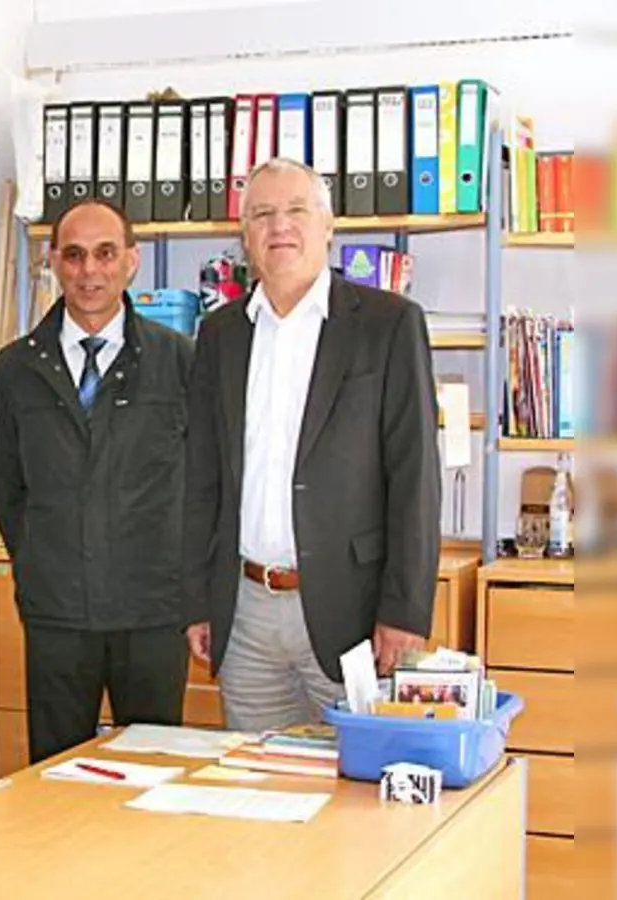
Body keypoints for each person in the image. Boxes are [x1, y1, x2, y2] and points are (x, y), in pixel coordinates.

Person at [182, 157, 441, 733]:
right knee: (257, 798)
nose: (281, 227)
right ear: (244, 235)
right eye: (263, 214)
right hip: (245, 612)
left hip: (352, 614)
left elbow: (415, 476)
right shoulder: (221, 334)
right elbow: (202, 478)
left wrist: (403, 612)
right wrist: (198, 600)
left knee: (354, 803)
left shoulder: (388, 324)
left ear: (328, 226)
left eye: (297, 211)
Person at [0, 199, 195, 764]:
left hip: (153, 610)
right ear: (54, 260)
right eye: (74, 256)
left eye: (106, 254)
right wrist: (37, 562)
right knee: (55, 778)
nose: (90, 271)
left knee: (154, 775)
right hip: (58, 612)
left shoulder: (178, 360)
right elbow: (8, 487)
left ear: (132, 260)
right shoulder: (15, 368)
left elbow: (202, 481)